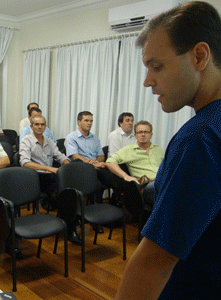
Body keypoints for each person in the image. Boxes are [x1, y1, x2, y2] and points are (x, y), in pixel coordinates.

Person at [115, 2, 221, 299]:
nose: (147, 81)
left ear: (199, 56)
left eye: (156, 66)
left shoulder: (200, 136)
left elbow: (157, 260)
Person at [19, 115, 83, 244]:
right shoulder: (26, 140)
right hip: (35, 178)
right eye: (36, 124)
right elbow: (25, 163)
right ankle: (71, 227)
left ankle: (70, 223)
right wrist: (49, 168)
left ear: (45, 126)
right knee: (64, 194)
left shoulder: (49, 141)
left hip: (51, 177)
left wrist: (67, 165)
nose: (40, 127)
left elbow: (60, 156)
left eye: (42, 124)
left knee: (70, 192)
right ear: (31, 126)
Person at [106, 121, 164, 206]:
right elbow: (109, 162)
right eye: (140, 132)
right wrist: (126, 176)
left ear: (151, 135)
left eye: (146, 132)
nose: (143, 135)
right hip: (147, 186)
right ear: (135, 135)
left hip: (163, 181)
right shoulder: (128, 150)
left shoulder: (158, 148)